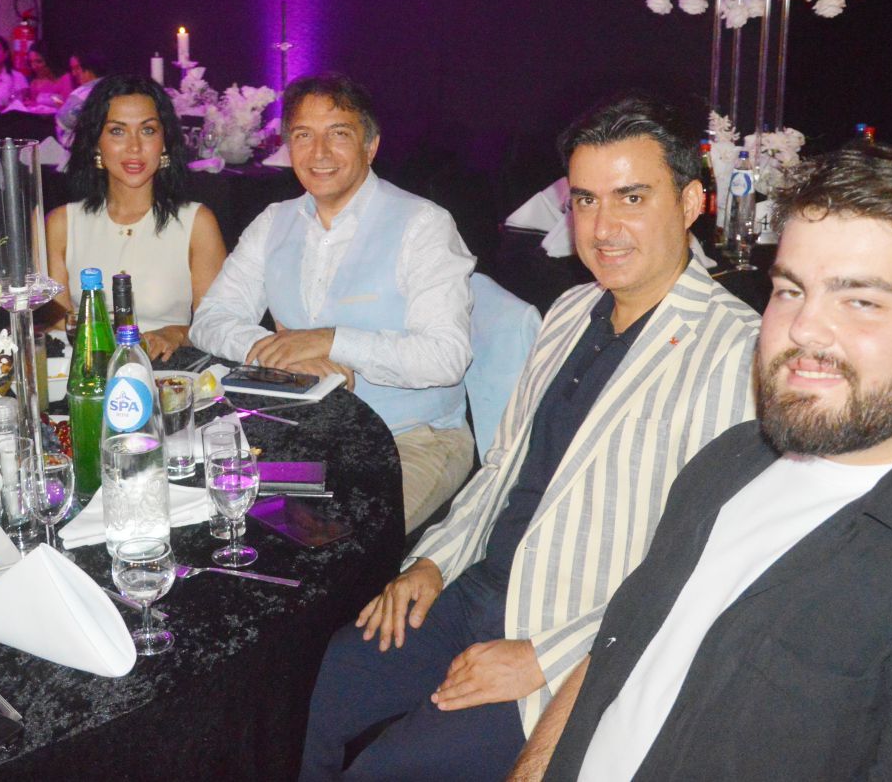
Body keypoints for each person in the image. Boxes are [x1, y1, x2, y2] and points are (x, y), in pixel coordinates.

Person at [516, 144, 892, 782]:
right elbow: (614, 657)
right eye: (790, 290)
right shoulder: (730, 463)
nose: (804, 329)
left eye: (859, 300)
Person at [297, 95, 759, 781]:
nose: (603, 228)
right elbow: (503, 466)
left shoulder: (737, 351)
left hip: (573, 635)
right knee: (313, 687)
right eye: (586, 201)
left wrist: (548, 656)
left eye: (632, 198)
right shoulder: (570, 309)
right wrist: (433, 562)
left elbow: (707, 566)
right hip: (477, 586)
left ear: (692, 202)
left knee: (389, 771)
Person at [193, 73, 478, 533]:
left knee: (342, 543)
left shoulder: (423, 225)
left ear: (370, 146)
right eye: (303, 136)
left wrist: (331, 341)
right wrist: (282, 355)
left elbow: (445, 358)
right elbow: (210, 319)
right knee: (217, 517)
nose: (319, 153)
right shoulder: (274, 222)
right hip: (302, 432)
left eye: (338, 134)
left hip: (413, 439)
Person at [44, 75, 226, 360]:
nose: (134, 147)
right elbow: (58, 329)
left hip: (169, 373)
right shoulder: (62, 224)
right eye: (117, 131)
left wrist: (175, 334)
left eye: (148, 130)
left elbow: (218, 325)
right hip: (88, 373)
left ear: (164, 142)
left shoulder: (196, 223)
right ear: (96, 143)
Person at [55, 49, 107, 150]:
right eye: (72, 69)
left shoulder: (80, 95)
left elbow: (63, 123)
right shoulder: (117, 88)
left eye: (77, 68)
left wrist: (63, 110)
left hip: (86, 149)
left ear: (89, 68)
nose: (74, 73)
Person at [22, 41, 73, 111]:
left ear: (50, 60)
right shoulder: (35, 82)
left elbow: (67, 106)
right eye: (31, 62)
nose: (34, 66)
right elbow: (35, 106)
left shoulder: (64, 78)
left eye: (39, 61)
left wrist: (49, 98)